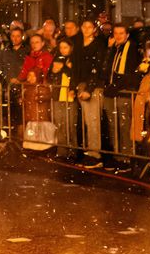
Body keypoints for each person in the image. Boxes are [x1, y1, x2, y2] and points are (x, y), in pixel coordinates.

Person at [102, 23, 143, 168]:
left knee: (124, 125)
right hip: (113, 91)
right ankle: (117, 154)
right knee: (114, 125)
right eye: (116, 33)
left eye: (121, 33)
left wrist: (114, 87)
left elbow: (128, 74)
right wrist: (109, 48)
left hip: (123, 92)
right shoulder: (116, 48)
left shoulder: (130, 48)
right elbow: (107, 67)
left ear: (127, 35)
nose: (118, 36)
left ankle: (127, 156)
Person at [74, 18, 107, 168]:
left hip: (93, 87)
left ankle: (95, 153)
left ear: (94, 29)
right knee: (87, 120)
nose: (86, 29)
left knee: (93, 120)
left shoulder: (98, 45)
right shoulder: (79, 45)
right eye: (84, 26)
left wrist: (89, 88)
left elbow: (98, 69)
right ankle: (90, 150)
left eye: (90, 27)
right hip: (82, 85)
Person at [18, 33, 55, 150]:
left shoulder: (47, 56)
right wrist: (18, 79)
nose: (34, 45)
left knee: (43, 118)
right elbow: (24, 72)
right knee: (32, 119)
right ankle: (33, 144)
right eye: (32, 43)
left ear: (43, 43)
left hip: (41, 89)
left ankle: (46, 144)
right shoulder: (29, 57)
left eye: (37, 42)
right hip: (31, 89)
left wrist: (43, 83)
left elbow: (48, 73)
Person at [48, 38, 77, 158]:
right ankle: (62, 150)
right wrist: (53, 71)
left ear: (71, 48)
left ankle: (73, 151)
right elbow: (50, 74)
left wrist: (64, 68)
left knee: (70, 125)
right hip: (57, 95)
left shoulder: (74, 59)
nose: (63, 50)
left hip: (69, 96)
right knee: (59, 124)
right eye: (61, 47)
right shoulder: (56, 58)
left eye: (65, 47)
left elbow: (74, 74)